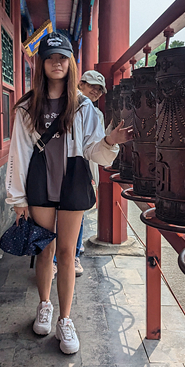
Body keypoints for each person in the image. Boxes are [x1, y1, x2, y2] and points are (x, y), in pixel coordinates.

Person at [5, 32, 133, 354]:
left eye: (62, 57)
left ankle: (65, 319)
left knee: (66, 252)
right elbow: (19, 152)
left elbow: (92, 150)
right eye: (50, 58)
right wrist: (17, 198)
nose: (56, 63)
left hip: (73, 180)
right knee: (44, 250)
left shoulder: (84, 106)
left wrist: (110, 141)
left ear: (70, 63)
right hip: (40, 180)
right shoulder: (27, 106)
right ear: (41, 64)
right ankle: (44, 305)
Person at [52, 69, 109, 279]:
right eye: (92, 86)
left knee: (78, 212)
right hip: (58, 165)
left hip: (82, 168)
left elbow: (95, 147)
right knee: (55, 213)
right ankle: (53, 258)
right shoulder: (64, 105)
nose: (96, 91)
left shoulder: (96, 114)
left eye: (100, 89)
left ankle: (73, 255)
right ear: (81, 84)